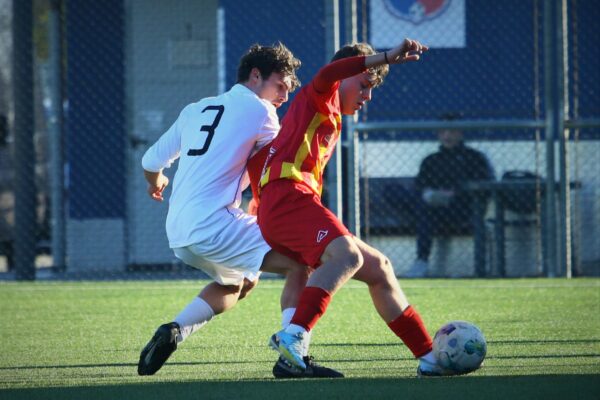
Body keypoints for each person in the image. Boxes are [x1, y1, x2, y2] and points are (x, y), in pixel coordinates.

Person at [257, 38, 459, 376]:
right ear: (345, 78)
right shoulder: (320, 95)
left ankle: (429, 357)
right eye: (364, 85)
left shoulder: (330, 116)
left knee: (379, 267)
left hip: (289, 204)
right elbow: (329, 72)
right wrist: (386, 57)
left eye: (371, 89)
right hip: (288, 200)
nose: (368, 96)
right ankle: (292, 336)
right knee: (347, 256)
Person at [138, 43, 342, 379]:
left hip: (178, 231)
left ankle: (176, 330)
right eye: (281, 85)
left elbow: (150, 161)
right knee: (300, 262)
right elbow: (283, 161)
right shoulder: (261, 112)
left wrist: (156, 180)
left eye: (290, 88)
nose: (285, 95)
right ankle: (294, 356)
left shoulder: (196, 109)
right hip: (215, 223)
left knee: (239, 284)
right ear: (255, 75)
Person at [406, 113, 494, 278]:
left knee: (424, 209)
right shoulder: (431, 160)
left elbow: (483, 186)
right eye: (443, 131)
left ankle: (422, 260)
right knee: (402, 195)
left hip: (461, 210)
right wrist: (430, 194)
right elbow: (419, 186)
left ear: (461, 132)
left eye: (452, 131)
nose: (447, 136)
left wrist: (454, 193)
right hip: (431, 210)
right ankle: (421, 262)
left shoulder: (474, 158)